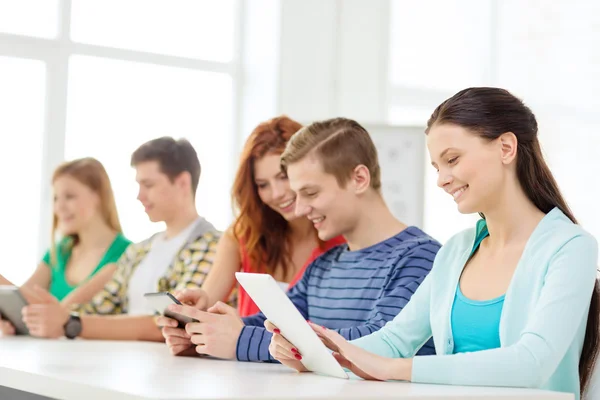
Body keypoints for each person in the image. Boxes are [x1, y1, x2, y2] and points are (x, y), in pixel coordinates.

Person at [269, 88, 600, 400]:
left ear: (506, 148)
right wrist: (319, 355)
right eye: (437, 167)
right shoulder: (456, 251)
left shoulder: (571, 248)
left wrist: (395, 370)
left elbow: (532, 362)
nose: (442, 179)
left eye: (452, 160)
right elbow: (394, 340)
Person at [159, 118, 441, 361]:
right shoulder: (323, 266)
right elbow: (273, 323)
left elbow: (378, 342)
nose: (301, 208)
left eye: (311, 193)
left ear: (358, 179)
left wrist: (241, 340)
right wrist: (204, 337)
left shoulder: (421, 257)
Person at [18, 137, 221, 341]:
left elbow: (175, 322)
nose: (139, 196)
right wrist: (58, 315)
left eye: (148, 185)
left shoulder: (211, 245)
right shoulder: (140, 251)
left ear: (182, 183)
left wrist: (71, 323)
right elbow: (99, 307)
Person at [165, 116, 344, 320]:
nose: (276, 193)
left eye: (283, 177)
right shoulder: (244, 234)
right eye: (262, 184)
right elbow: (207, 300)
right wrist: (194, 312)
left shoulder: (341, 238)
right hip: (246, 353)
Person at [0, 157, 131, 336]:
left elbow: (59, 315)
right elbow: (19, 301)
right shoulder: (60, 251)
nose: (59, 207)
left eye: (69, 196)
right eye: (55, 198)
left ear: (98, 196)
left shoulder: (126, 254)